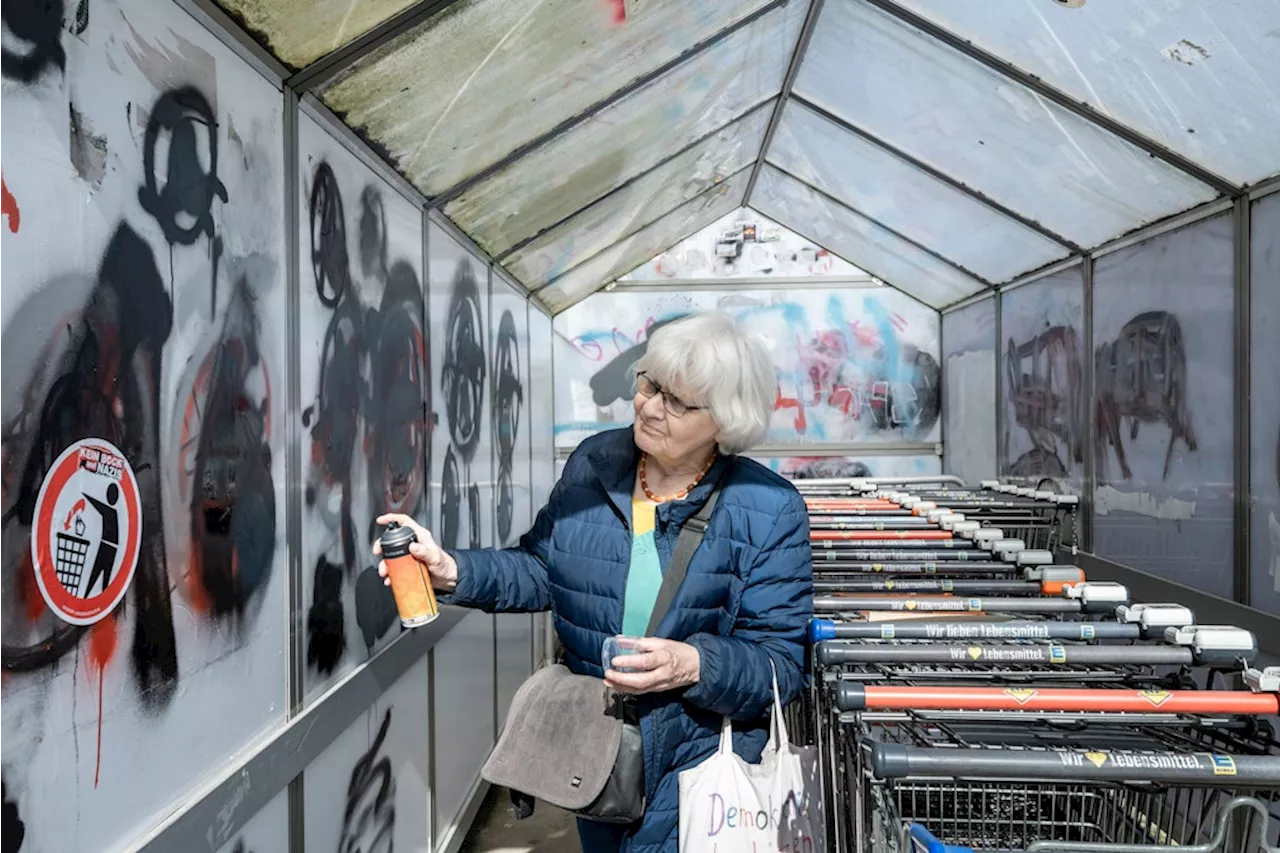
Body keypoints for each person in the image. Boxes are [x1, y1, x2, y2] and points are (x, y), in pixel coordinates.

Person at [374, 311, 813, 853]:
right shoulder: (595, 463)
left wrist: (693, 664)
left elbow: (780, 664)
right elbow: (541, 569)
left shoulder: (769, 508)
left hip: (697, 768)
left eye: (677, 401)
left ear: (724, 421)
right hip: (598, 752)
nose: (649, 406)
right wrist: (451, 569)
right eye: (649, 383)